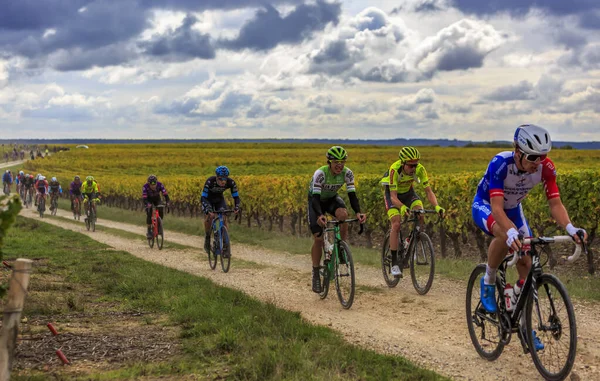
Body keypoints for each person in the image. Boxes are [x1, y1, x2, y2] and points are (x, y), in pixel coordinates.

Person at [472, 124, 588, 351]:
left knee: (527, 261)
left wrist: (571, 228)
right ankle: (488, 280)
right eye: (533, 156)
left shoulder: (545, 168)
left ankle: (525, 325)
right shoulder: (501, 164)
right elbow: (496, 209)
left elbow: (555, 204)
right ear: (517, 150)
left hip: (514, 209)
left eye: (542, 156)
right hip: (486, 206)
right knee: (504, 233)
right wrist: (510, 231)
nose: (538, 162)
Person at [308, 146, 367, 293]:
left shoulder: (347, 173)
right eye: (336, 162)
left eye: (342, 162)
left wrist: (358, 212)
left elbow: (352, 196)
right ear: (329, 162)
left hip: (332, 199)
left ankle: (341, 246)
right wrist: (320, 215)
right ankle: (316, 273)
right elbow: (315, 199)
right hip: (316, 202)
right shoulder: (320, 174)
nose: (339, 165)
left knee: (343, 215)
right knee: (319, 239)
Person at [380, 147, 445, 277]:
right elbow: (393, 196)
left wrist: (437, 206)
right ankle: (394, 263)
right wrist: (402, 207)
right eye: (410, 165)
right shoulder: (394, 170)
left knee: (420, 213)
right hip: (393, 196)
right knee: (396, 224)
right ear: (403, 163)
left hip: (409, 194)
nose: (414, 168)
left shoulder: (420, 169)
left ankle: (412, 242)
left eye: (415, 165)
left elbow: (428, 191)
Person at [201, 166, 240, 254]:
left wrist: (237, 207)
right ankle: (207, 238)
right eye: (220, 179)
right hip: (208, 200)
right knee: (209, 217)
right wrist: (208, 209)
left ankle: (225, 245)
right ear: (216, 177)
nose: (223, 181)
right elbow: (203, 197)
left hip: (219, 200)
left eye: (225, 179)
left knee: (224, 217)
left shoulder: (231, 182)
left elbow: (236, 197)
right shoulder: (210, 181)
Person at [142, 175, 170, 239]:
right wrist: (148, 205)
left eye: (155, 184)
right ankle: (149, 231)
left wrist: (167, 202)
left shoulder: (160, 185)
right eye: (151, 184)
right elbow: (144, 199)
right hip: (148, 199)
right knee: (149, 213)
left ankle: (159, 225)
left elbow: (165, 194)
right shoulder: (145, 187)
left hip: (157, 199)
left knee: (160, 208)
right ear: (148, 184)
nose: (153, 186)